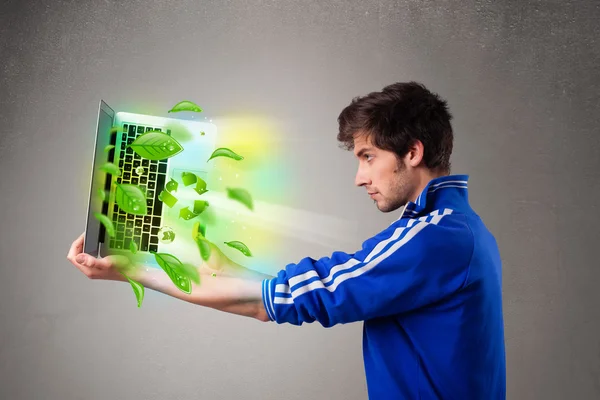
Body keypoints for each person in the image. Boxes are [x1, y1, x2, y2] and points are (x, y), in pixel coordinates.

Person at [67, 81, 506, 399]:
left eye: (368, 157)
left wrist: (130, 271)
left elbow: (274, 301)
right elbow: (281, 291)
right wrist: (190, 262)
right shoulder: (458, 230)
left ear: (412, 153)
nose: (360, 178)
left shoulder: (434, 239)